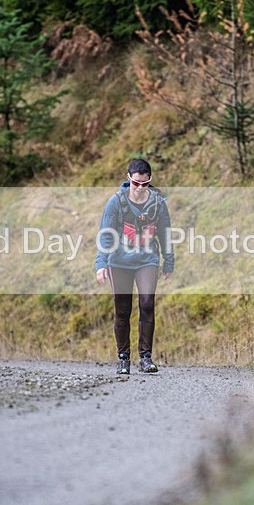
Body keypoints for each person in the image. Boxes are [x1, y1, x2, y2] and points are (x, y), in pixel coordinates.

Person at [95, 159, 174, 374]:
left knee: (147, 304)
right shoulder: (116, 202)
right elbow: (105, 235)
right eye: (135, 183)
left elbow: (165, 233)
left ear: (150, 181)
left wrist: (169, 260)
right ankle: (123, 359)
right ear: (128, 179)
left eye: (144, 184)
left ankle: (146, 358)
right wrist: (101, 263)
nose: (139, 188)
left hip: (147, 259)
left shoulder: (158, 203)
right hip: (119, 262)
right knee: (123, 310)